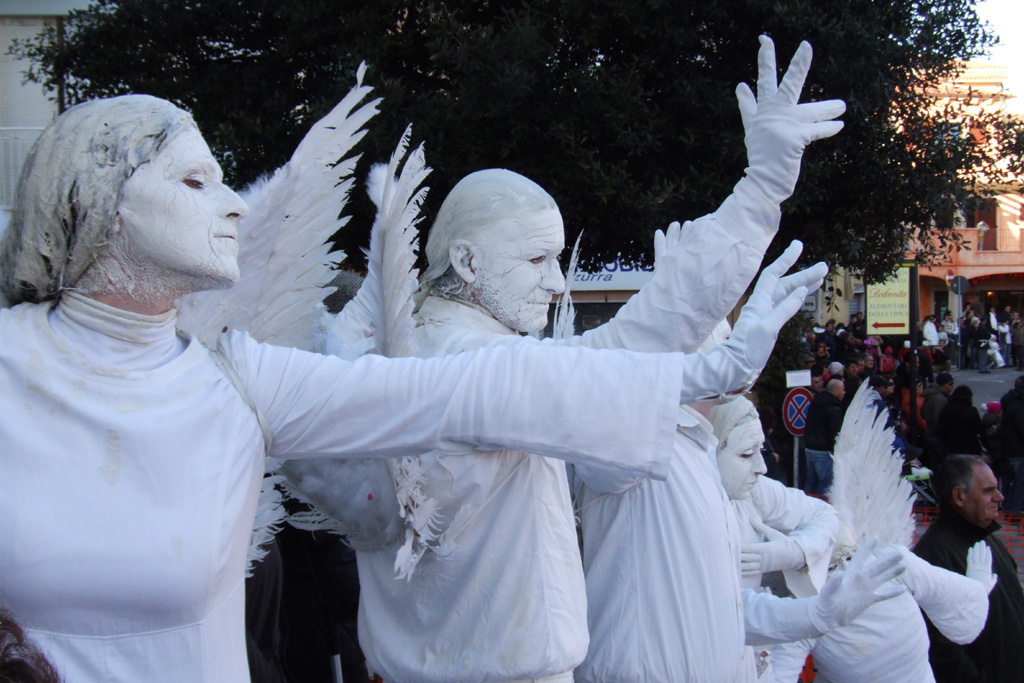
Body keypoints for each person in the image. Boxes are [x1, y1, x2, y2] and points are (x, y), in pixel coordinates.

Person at [0, 95, 802, 682]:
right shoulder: (426, 363)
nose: (238, 206)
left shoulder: (240, 375)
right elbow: (488, 402)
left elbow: (580, 361)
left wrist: (756, 206)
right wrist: (712, 351)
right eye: (195, 181)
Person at [771, 392, 993, 683]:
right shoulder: (806, 610)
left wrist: (977, 584)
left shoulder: (892, 561)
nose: (840, 564)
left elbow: (957, 602)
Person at [710, 397, 837, 679]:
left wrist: (795, 551)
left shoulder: (754, 492)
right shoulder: (684, 514)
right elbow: (722, 609)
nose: (762, 467)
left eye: (761, 451)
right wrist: (813, 614)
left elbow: (825, 515)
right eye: (745, 455)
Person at [913, 455, 1024, 682]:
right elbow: (943, 651)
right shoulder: (933, 556)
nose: (1000, 497)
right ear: (959, 496)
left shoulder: (986, 536)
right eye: (988, 491)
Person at [804, 378, 845, 495]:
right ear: (836, 391)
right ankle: (821, 510)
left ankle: (805, 507)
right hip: (824, 451)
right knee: (825, 485)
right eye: (843, 390)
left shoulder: (815, 402)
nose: (844, 392)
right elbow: (834, 433)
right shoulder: (834, 409)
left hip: (809, 448)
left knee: (810, 482)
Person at [937, 385, 985, 456]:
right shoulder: (971, 410)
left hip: (952, 445)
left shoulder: (947, 409)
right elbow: (980, 429)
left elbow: (941, 428)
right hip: (970, 445)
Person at [999, 375, 1024, 511]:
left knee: (1011, 482)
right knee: (1019, 483)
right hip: (1018, 449)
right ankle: (1015, 511)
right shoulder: (1018, 405)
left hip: (1009, 448)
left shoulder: (1010, 401)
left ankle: (1009, 508)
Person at [922, 371, 954, 436]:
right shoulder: (939, 399)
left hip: (928, 432)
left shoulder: (934, 394)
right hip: (933, 434)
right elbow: (937, 420)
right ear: (944, 385)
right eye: (951, 383)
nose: (953, 386)